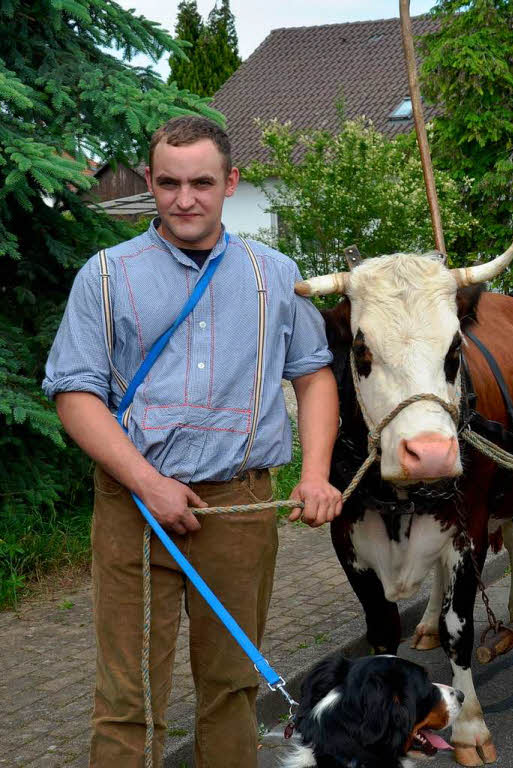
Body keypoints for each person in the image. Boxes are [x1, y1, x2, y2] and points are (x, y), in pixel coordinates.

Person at [43, 115, 343, 767]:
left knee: (232, 690)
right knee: (128, 701)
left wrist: (316, 473)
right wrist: (148, 483)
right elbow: (74, 394)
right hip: (135, 508)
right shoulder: (104, 276)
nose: (185, 199)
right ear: (150, 181)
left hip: (240, 509)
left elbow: (315, 376)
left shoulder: (275, 275)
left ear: (230, 182)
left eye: (202, 183)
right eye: (170, 182)